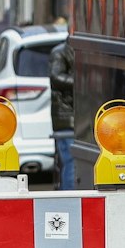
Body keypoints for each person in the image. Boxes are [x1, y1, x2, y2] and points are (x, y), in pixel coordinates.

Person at [49, 38, 76, 189]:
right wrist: (81, 81)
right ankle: (69, 200)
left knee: (71, 162)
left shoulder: (76, 51)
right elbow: (56, 76)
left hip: (77, 116)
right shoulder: (60, 53)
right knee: (71, 162)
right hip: (65, 117)